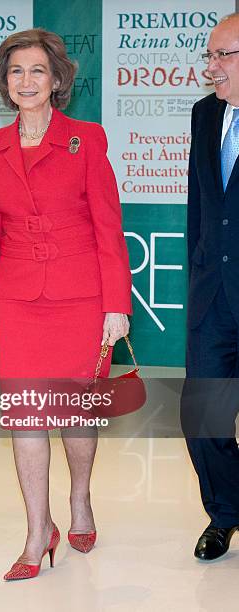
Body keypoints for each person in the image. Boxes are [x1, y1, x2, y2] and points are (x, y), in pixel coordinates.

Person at [0, 28, 132, 580]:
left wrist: (115, 304)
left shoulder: (86, 139)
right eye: (15, 72)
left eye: (37, 71)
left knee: (75, 412)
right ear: (5, 83)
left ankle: (79, 500)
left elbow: (108, 227)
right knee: (26, 416)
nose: (25, 81)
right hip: (17, 299)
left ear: (56, 81)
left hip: (80, 296)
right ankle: (37, 531)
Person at [183, 13, 239, 561]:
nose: (211, 67)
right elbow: (200, 206)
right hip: (212, 298)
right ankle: (226, 512)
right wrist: (197, 271)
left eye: (222, 56)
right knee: (202, 420)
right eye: (210, 56)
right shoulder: (204, 114)